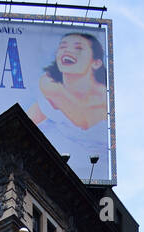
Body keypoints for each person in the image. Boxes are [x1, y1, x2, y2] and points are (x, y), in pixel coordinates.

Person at [25, 31, 110, 174]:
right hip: (49, 166)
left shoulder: (102, 101)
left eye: (78, 48)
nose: (68, 50)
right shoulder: (49, 86)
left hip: (89, 169)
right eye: (63, 46)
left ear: (96, 62)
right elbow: (25, 126)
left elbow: (84, 120)